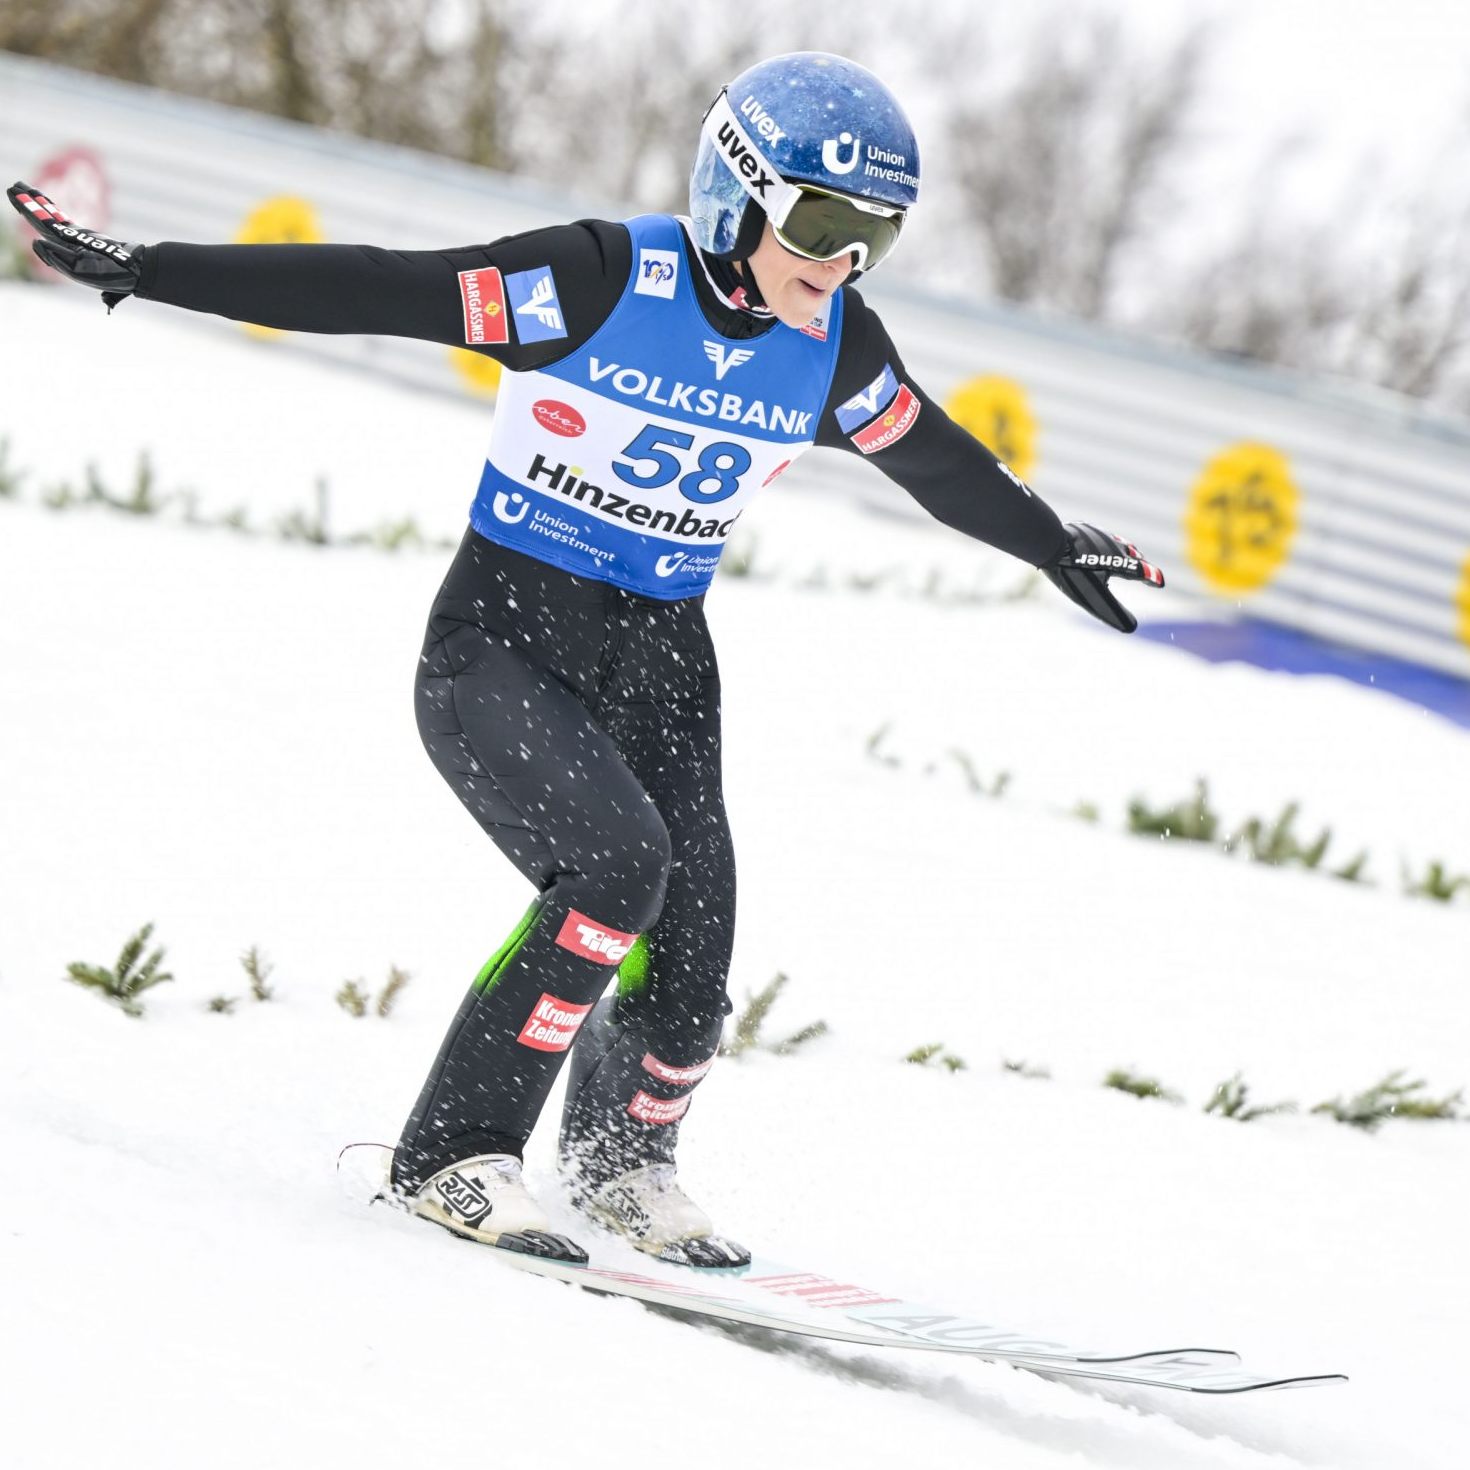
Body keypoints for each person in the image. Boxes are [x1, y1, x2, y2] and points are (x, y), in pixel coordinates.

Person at [9, 52, 1162, 1270]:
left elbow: (935, 458)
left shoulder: (830, 346)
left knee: (698, 920)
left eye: (873, 236)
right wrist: (151, 271)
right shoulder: (598, 282)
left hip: (661, 660)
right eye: (821, 225)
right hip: (503, 644)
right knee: (617, 869)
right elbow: (377, 288)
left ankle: (623, 1165)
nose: (842, 265)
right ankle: (454, 1154)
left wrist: (1050, 545)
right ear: (739, 194)